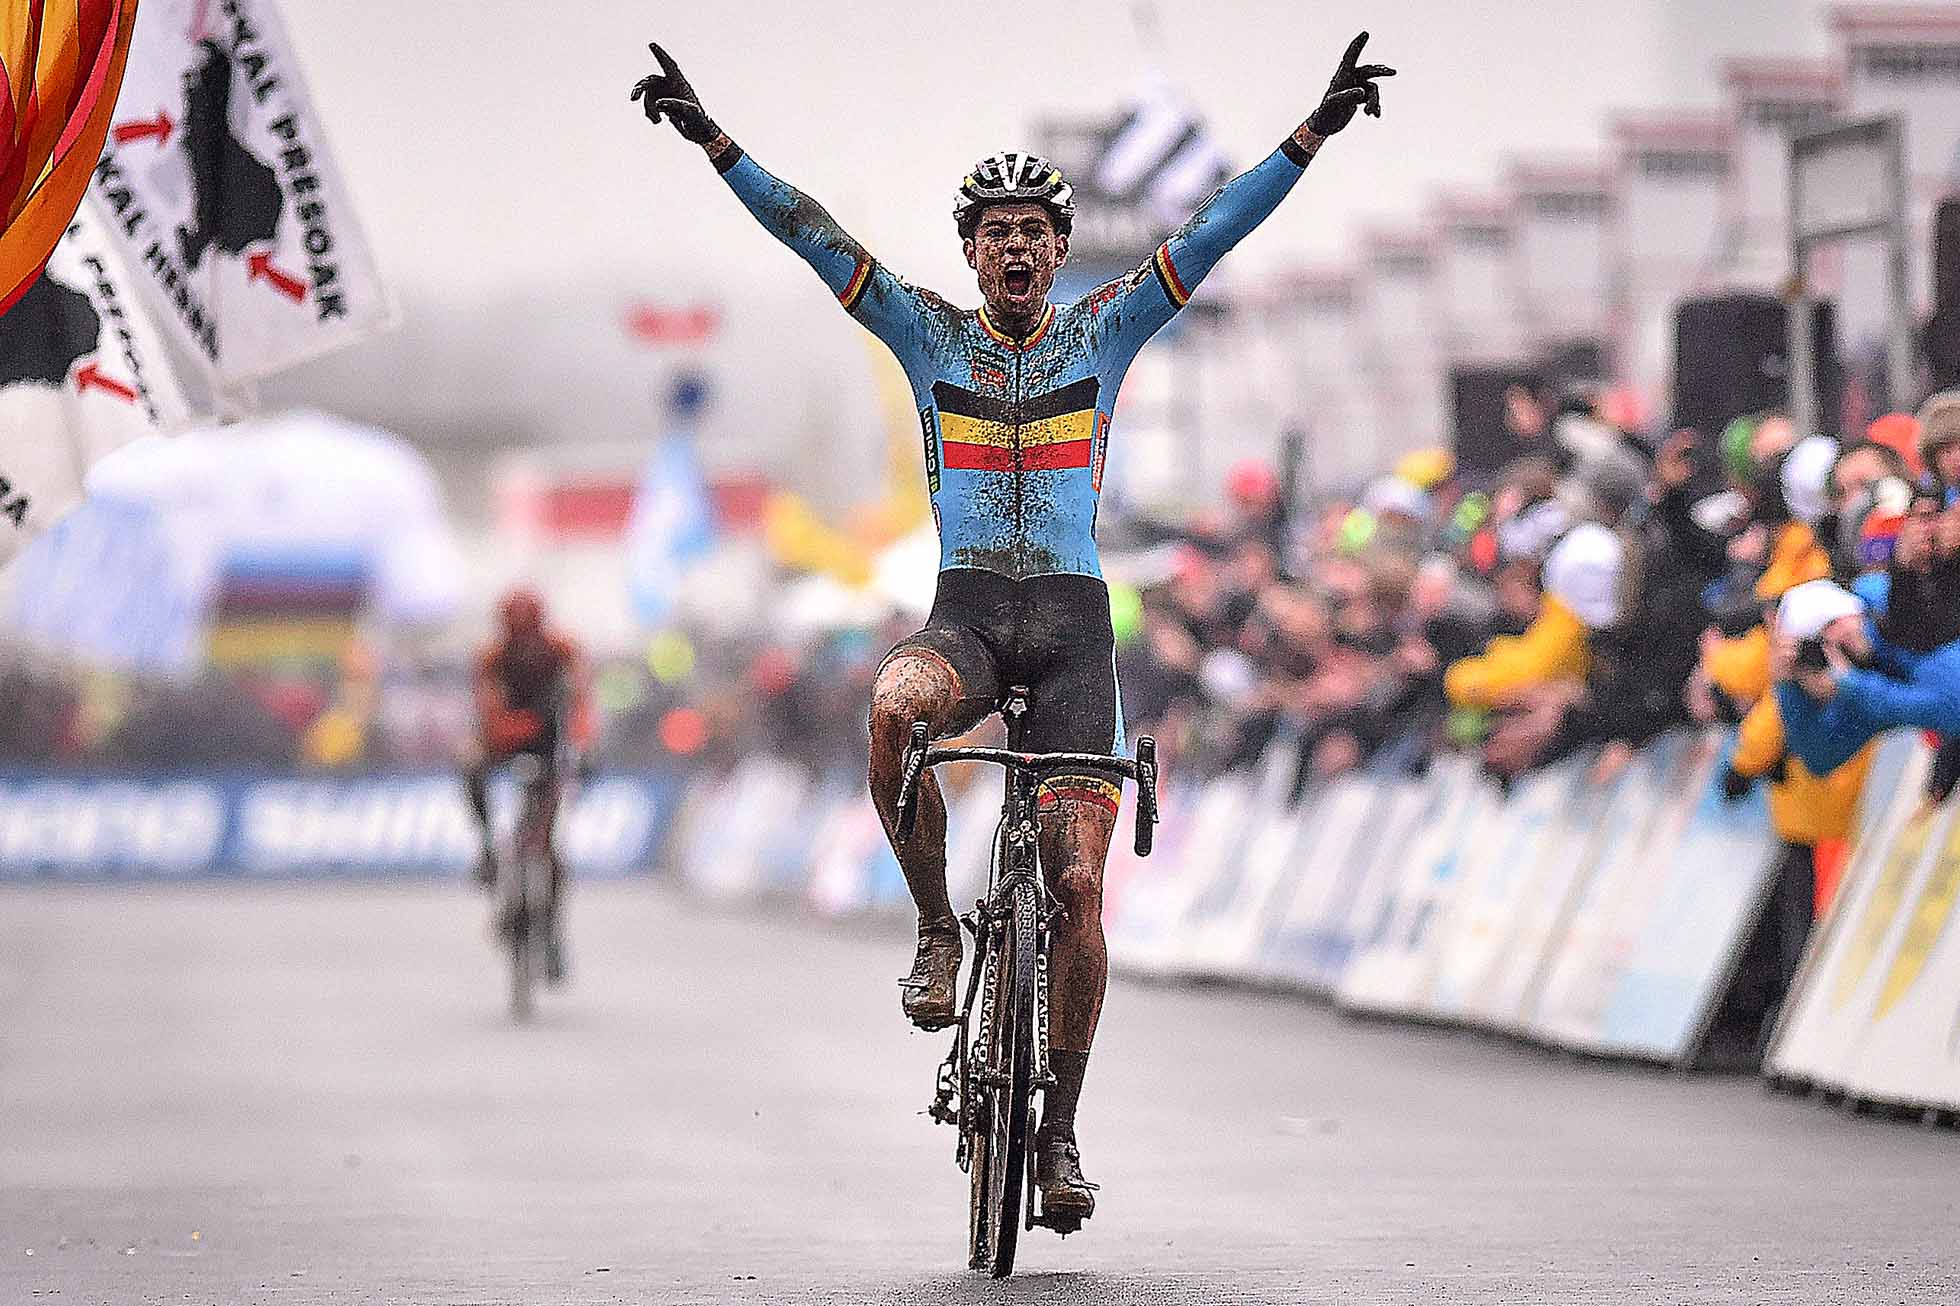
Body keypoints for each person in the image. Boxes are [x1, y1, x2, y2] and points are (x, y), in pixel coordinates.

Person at [633, 33, 1395, 1223]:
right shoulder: (926, 333)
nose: (1019, 247)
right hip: (971, 622)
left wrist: (1312, 132)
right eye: (996, 232)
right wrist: (716, 142)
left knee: (1079, 890)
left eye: (1037, 229)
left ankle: (1058, 1136)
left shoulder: (1107, 327)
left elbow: (1210, 229)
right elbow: (813, 232)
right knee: (891, 709)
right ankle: (938, 929)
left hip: (1077, 634)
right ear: (972, 253)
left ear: (1057, 244)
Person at [463, 588, 592, 981]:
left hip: (549, 742)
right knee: (469, 768)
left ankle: (550, 931)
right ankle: (487, 845)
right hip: (504, 737)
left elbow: (581, 702)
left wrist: (583, 746)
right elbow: (484, 705)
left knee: (547, 841)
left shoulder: (562, 650)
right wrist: (491, 741)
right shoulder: (491, 656)